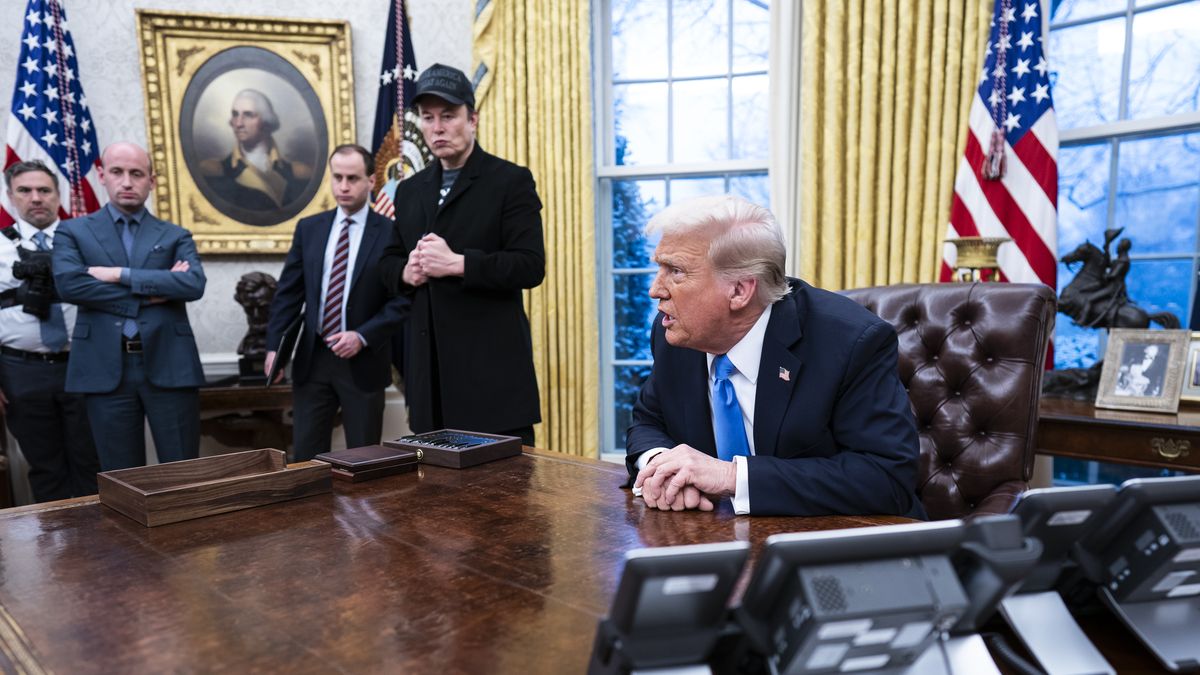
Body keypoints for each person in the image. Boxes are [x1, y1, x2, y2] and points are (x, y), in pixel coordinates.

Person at [628, 195, 925, 518]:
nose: (655, 289)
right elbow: (648, 420)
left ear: (740, 291)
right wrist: (662, 467)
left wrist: (730, 477)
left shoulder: (851, 342)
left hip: (843, 548)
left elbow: (885, 478)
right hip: (713, 539)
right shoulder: (674, 332)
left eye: (675, 271)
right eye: (659, 267)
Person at [378, 63, 545, 446]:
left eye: (448, 116)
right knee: (433, 503)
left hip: (492, 387)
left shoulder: (510, 180)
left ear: (473, 119)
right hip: (429, 387)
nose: (437, 127)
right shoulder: (409, 190)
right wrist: (408, 272)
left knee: (507, 505)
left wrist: (457, 264)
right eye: (427, 117)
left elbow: (530, 265)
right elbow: (386, 263)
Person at [52, 142, 207, 471]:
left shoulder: (175, 234)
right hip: (103, 368)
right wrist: (154, 291)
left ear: (151, 181)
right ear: (101, 175)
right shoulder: (73, 231)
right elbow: (70, 285)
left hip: (170, 364)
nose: (127, 181)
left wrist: (118, 275)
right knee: (121, 477)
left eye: (136, 174)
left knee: (182, 474)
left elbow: (192, 284)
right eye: (117, 172)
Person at [265, 144, 407, 461]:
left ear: (371, 181)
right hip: (312, 359)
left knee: (363, 460)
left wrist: (363, 335)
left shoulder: (391, 233)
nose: (343, 187)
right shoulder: (310, 229)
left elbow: (402, 301)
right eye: (337, 177)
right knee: (306, 458)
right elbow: (289, 293)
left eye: (353, 178)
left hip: (364, 361)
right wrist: (274, 347)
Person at [0, 161, 99, 501]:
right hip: (21, 372)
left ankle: (104, 552)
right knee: (46, 467)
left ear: (58, 195)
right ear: (11, 197)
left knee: (93, 464)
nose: (36, 198)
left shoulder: (88, 242)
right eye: (25, 191)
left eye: (44, 190)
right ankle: (60, 553)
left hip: (84, 367)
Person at [200, 88, 311, 213]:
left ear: (266, 121)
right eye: (235, 114)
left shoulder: (299, 173)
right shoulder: (214, 172)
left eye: (248, 115)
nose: (238, 123)